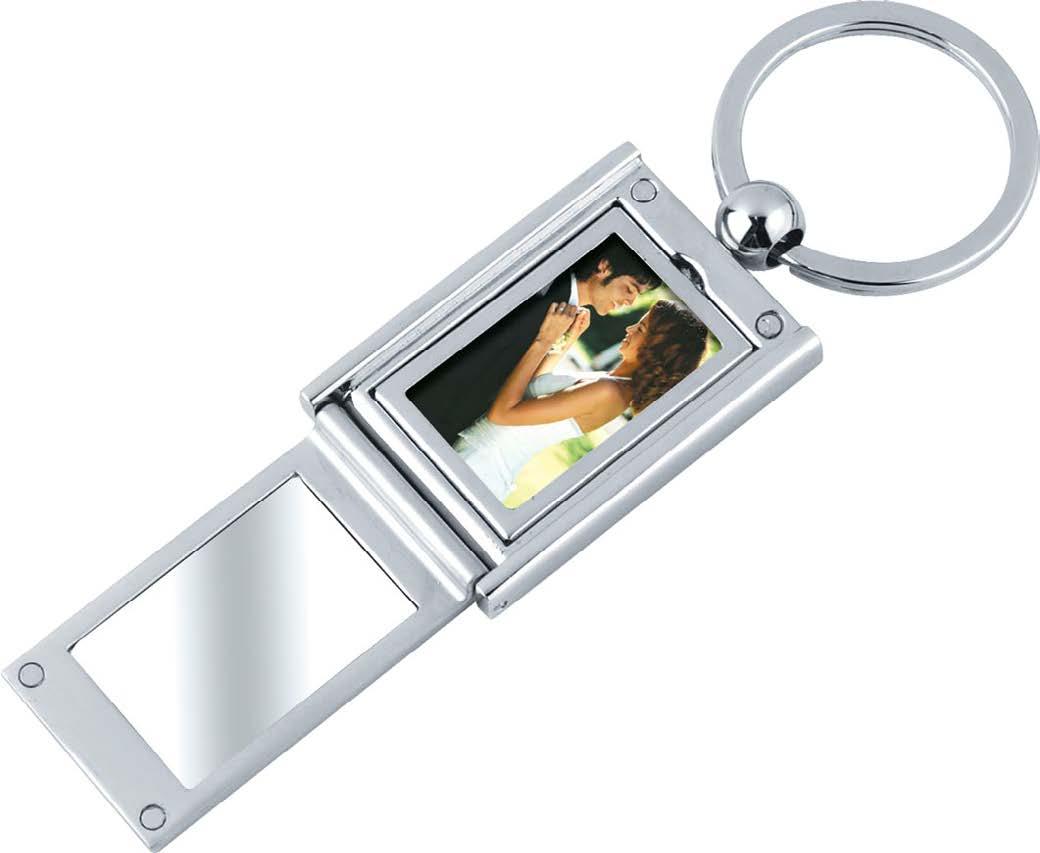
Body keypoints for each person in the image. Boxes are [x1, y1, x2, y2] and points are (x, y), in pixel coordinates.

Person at [408, 236, 663, 446]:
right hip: (429, 414)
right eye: (630, 288)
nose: (630, 301)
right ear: (604, 267)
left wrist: (565, 341)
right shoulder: (544, 296)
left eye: (637, 295)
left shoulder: (565, 313)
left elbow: (523, 381)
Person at [456, 299, 711, 502]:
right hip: (476, 459)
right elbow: (530, 389)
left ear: (657, 349)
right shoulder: (610, 381)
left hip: (477, 470)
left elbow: (502, 414)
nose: (629, 329)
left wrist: (544, 340)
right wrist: (568, 340)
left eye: (641, 329)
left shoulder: (610, 393)